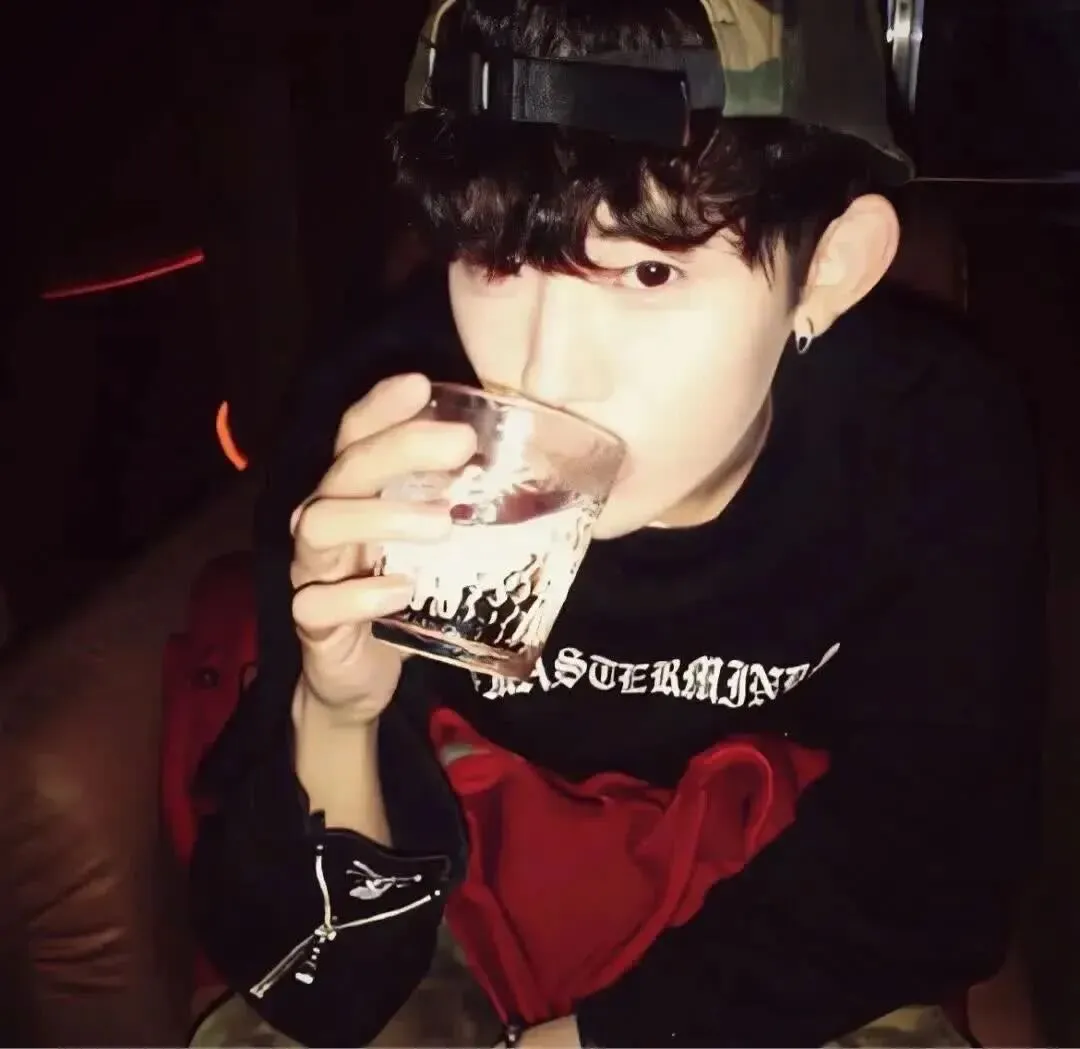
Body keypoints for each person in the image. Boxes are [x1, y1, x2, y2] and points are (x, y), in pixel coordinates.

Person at [189, 0, 1045, 1045]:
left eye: (648, 270)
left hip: (775, 917)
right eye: (496, 257)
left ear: (827, 269)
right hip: (467, 885)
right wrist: (336, 711)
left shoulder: (926, 439)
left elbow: (933, 872)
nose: (542, 373)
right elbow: (320, 991)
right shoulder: (387, 418)